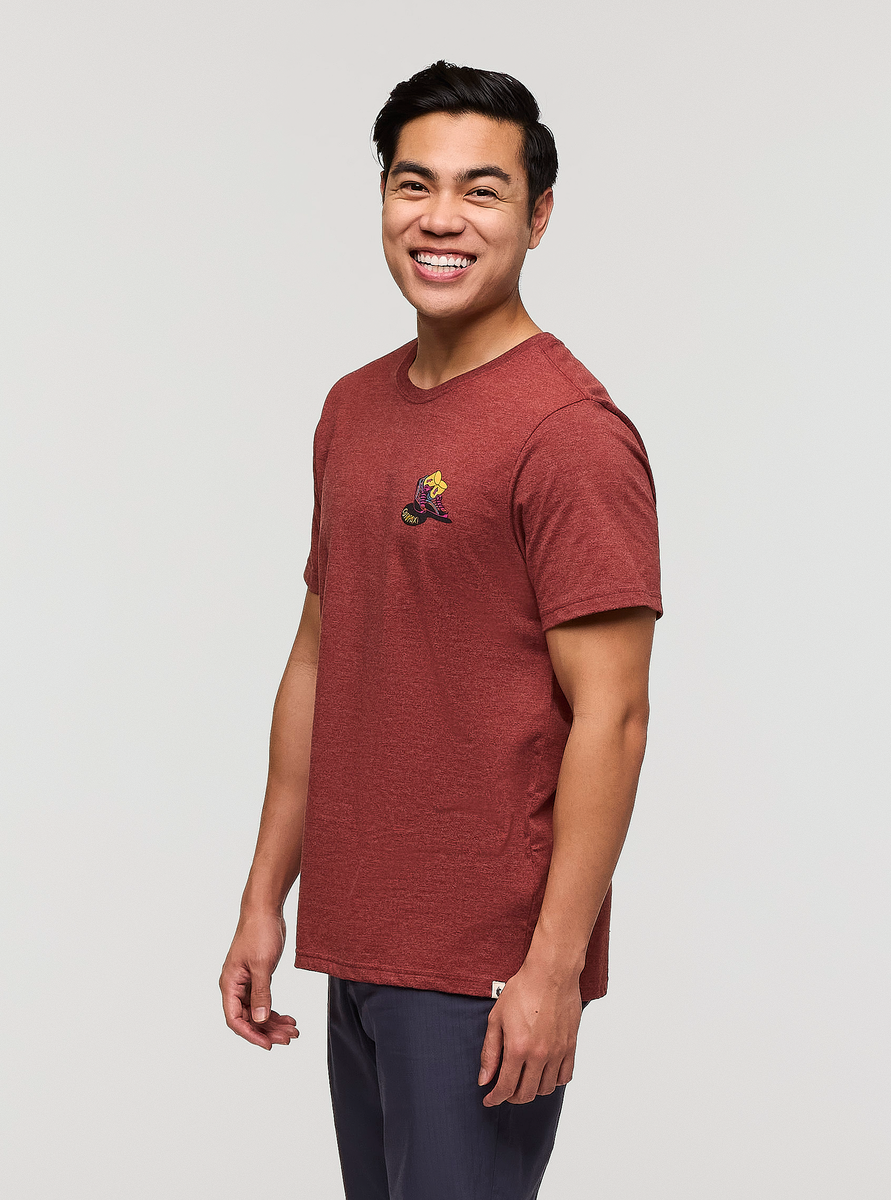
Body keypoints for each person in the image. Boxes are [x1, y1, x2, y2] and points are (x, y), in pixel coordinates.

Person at [219, 60, 662, 1199]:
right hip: (359, 935)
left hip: (482, 965)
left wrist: (553, 968)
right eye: (415, 184)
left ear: (538, 216)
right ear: (383, 198)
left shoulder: (569, 433)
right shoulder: (352, 409)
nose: (441, 218)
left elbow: (613, 717)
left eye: (482, 190)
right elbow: (320, 658)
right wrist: (266, 899)